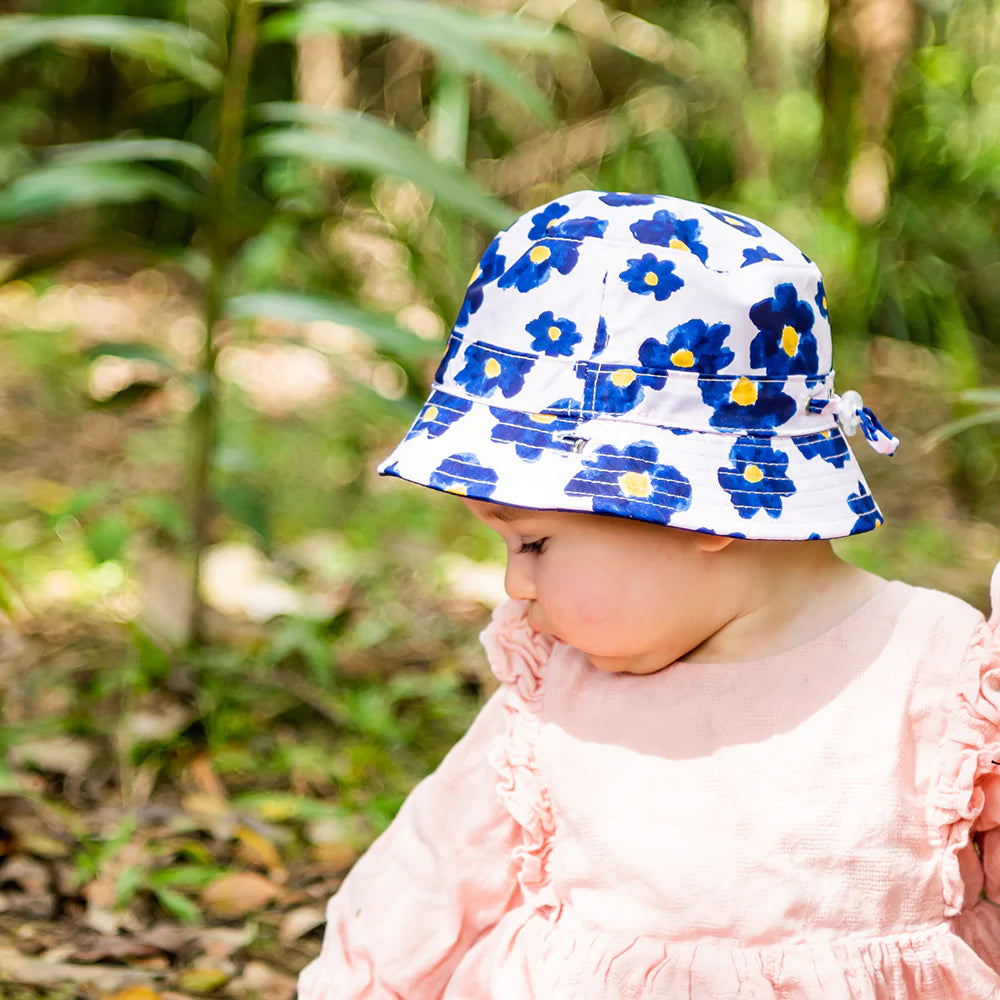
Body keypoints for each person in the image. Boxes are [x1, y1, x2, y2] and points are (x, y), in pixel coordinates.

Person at [297, 190, 1000, 998]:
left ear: (703, 506)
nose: (513, 584)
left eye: (532, 543)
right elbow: (438, 868)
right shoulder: (557, 686)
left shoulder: (938, 676)